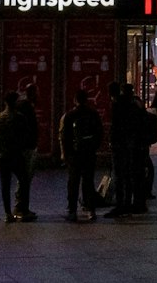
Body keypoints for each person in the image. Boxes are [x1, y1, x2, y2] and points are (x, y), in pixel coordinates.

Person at [59, 89, 103, 222]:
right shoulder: (93, 114)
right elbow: (99, 133)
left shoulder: (70, 115)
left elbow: (64, 136)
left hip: (74, 154)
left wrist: (65, 154)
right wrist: (94, 147)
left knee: (73, 182)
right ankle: (90, 209)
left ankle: (72, 210)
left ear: (75, 100)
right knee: (88, 181)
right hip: (89, 153)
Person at [0, 86, 39, 222]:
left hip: (3, 154)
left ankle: (8, 212)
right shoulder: (21, 115)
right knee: (24, 179)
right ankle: (21, 208)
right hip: (18, 153)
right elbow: (27, 133)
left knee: (5, 184)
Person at [107, 83, 147, 217]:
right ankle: (133, 203)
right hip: (135, 143)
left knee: (120, 175)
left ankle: (121, 204)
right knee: (132, 174)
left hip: (121, 144)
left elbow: (116, 126)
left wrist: (112, 141)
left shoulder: (118, 105)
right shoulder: (136, 104)